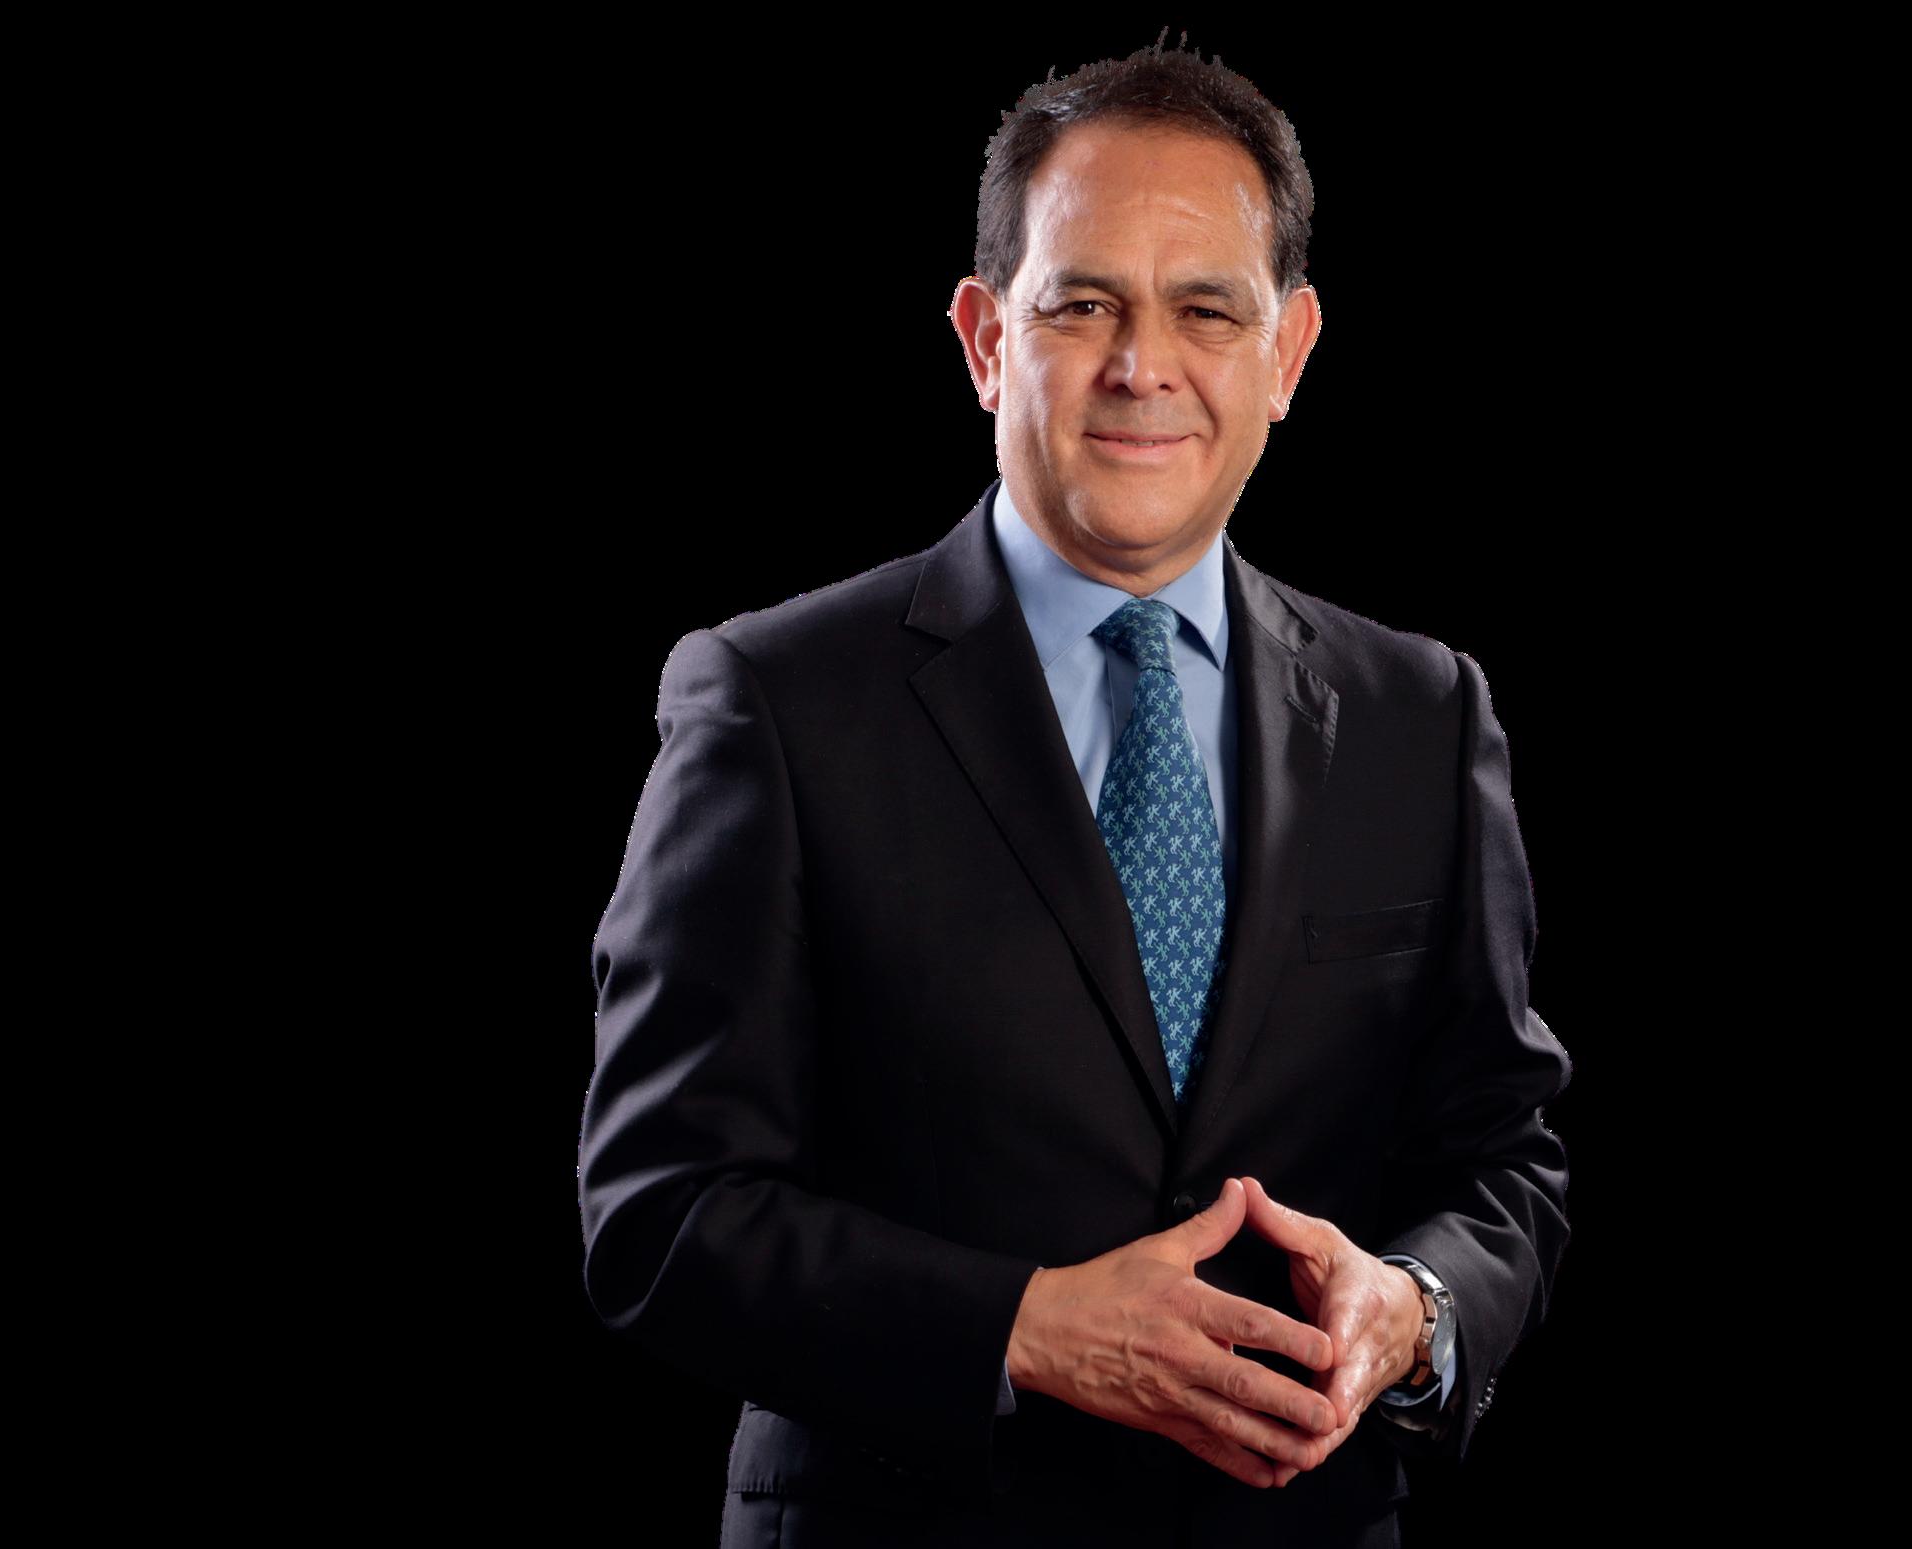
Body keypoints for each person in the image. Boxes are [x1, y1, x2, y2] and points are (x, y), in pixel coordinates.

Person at [578, 38, 1571, 1549]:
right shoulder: (772, 702)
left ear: (1290, 354)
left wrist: (1417, 1310)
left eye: (1206, 312)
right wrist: (1023, 1326)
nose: (1141, 367)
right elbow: (658, 1209)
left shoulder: (1420, 715)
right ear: (986, 338)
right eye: (1082, 303)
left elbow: (1506, 1154)